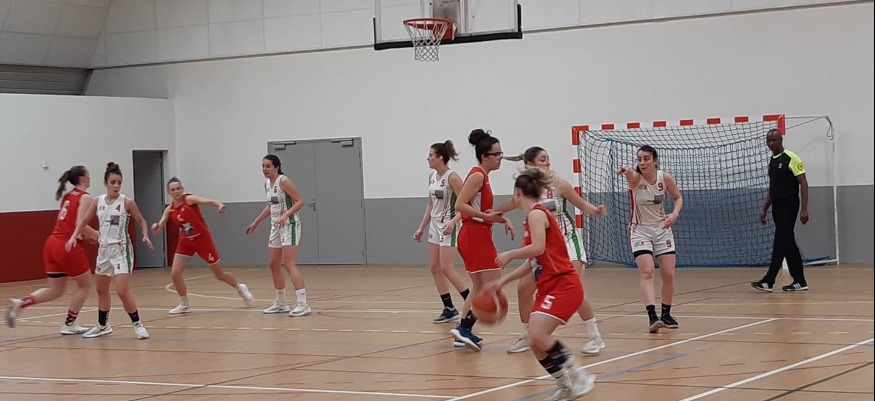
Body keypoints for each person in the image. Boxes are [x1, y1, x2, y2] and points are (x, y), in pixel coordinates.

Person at [490, 167, 596, 401]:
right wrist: (504, 281)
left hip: (563, 284)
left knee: (538, 335)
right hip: (549, 287)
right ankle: (565, 386)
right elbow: (534, 262)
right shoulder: (533, 217)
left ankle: (581, 376)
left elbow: (537, 248)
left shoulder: (537, 214)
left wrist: (510, 253)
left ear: (518, 193)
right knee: (535, 341)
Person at [499, 147, 609, 355]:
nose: (548, 162)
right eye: (543, 159)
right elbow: (513, 203)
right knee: (523, 289)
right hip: (545, 247)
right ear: (530, 164)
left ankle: (596, 337)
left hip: (568, 241)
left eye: (548, 158)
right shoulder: (526, 189)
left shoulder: (559, 184)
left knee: (574, 290)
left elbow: (581, 204)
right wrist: (494, 212)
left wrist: (595, 210)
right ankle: (528, 335)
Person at [5, 166, 97, 334]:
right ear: (83, 179)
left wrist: (86, 236)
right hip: (67, 246)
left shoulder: (67, 196)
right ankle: (69, 324)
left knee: (56, 289)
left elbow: (70, 224)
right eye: (88, 176)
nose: (90, 178)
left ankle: (22, 303)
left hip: (52, 244)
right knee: (85, 285)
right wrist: (98, 235)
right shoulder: (85, 197)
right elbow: (80, 225)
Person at [450, 129, 514, 351]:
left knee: (479, 287)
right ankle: (464, 328)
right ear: (484, 156)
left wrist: (503, 220)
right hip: (474, 235)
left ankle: (462, 332)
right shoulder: (477, 176)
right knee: (492, 285)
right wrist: (488, 218)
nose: (500, 158)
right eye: (496, 154)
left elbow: (482, 211)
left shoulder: (483, 176)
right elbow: (460, 205)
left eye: (500, 153)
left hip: (476, 233)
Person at [74, 162, 154, 339]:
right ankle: (103, 325)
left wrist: (145, 235)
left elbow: (142, 220)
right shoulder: (98, 201)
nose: (116, 186)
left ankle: (138, 324)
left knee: (122, 291)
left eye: (119, 182)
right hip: (104, 251)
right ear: (105, 183)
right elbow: (83, 221)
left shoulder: (127, 202)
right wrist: (74, 236)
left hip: (121, 250)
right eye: (113, 182)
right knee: (101, 290)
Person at [151, 177, 253, 314]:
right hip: (185, 242)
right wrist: (156, 228)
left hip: (202, 240)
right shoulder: (169, 210)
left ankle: (240, 288)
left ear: (182, 189)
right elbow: (160, 226)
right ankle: (185, 304)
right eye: (173, 190)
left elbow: (207, 201)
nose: (176, 192)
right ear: (169, 192)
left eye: (178, 188)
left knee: (219, 274)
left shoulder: (189, 199)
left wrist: (218, 204)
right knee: (175, 274)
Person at [617, 145, 683, 333]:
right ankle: (652, 317)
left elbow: (678, 198)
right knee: (647, 272)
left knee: (668, 274)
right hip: (640, 230)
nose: (642, 162)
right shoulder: (636, 179)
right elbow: (631, 174)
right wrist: (627, 170)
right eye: (639, 159)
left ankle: (666, 314)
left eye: (646, 158)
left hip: (662, 229)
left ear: (655, 160)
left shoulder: (665, 178)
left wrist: (674, 214)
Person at [413, 141, 471, 323]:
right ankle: (449, 309)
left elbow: (466, 205)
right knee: (435, 268)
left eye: (431, 155)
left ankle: (472, 305)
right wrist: (421, 227)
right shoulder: (432, 177)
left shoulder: (453, 178)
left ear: (440, 157)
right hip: (435, 226)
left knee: (447, 268)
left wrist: (453, 222)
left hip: (449, 226)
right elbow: (430, 205)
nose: (428, 158)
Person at [246, 155, 311, 316]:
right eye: (263, 166)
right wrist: (256, 222)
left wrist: (286, 215)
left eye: (268, 166)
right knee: (273, 264)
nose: (264, 169)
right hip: (276, 226)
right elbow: (270, 206)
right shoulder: (267, 184)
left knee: (289, 264)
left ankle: (303, 304)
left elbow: (300, 201)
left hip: (290, 225)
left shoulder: (284, 181)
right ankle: (281, 303)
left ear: (277, 167)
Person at [752, 128, 810, 292]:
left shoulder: (791, 158)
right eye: (768, 141)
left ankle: (768, 281)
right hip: (777, 207)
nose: (771, 143)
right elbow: (773, 189)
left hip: (789, 205)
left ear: (781, 140)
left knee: (779, 243)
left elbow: (804, 183)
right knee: (789, 244)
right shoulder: (772, 161)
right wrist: (765, 209)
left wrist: (804, 209)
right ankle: (800, 281)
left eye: (774, 140)